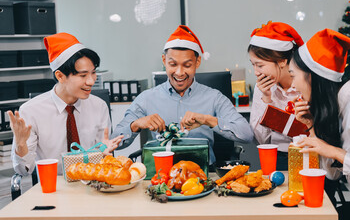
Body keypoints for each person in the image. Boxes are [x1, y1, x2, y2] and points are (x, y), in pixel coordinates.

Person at [111, 25, 254, 164]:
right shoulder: (146, 98)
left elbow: (246, 134)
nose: (179, 73)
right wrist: (135, 125)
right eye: (173, 64)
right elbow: (114, 142)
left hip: (203, 175)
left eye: (187, 65)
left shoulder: (214, 97)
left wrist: (208, 120)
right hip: (161, 176)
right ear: (164, 61)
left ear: (197, 62)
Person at [9, 32, 123, 176]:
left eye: (93, 72)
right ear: (60, 76)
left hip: (92, 185)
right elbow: (24, 170)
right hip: (53, 188)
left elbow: (103, 154)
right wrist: (20, 145)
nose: (91, 81)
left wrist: (104, 155)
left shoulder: (99, 106)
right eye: (83, 75)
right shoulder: (31, 111)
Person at [289, 28, 350, 219]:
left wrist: (335, 152)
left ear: (312, 76)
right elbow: (332, 174)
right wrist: (312, 127)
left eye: (293, 76)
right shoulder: (336, 106)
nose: (292, 85)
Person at [248, 21, 304, 170]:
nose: (256, 72)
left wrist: (278, 121)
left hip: (307, 156)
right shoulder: (263, 88)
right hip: (276, 157)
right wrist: (267, 100)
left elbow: (311, 135)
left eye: (260, 65)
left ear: (282, 61)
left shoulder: (306, 84)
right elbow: (261, 141)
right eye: (253, 64)